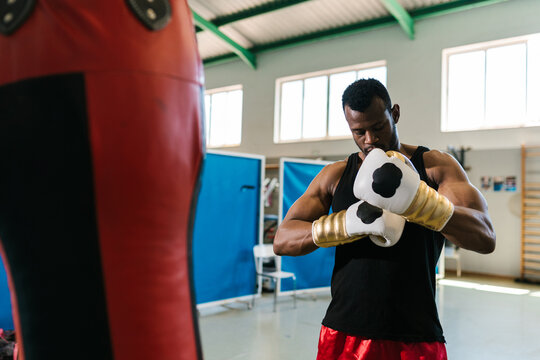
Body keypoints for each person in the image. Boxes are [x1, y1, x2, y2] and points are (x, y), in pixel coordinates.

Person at [273, 79, 496, 360]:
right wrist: (341, 225)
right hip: (343, 332)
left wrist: (422, 204)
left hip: (415, 334)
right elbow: (282, 240)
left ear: (395, 114)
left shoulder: (436, 167)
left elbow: (485, 237)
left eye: (378, 127)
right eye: (359, 131)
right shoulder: (336, 175)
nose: (370, 139)